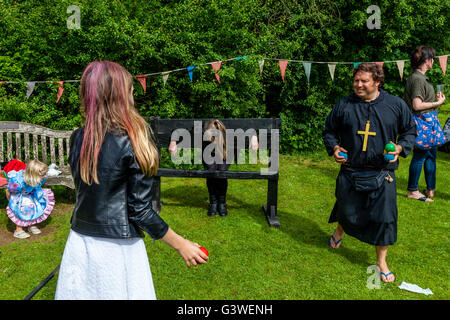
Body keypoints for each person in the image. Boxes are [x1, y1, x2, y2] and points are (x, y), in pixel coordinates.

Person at [55, 61, 208, 300]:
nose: (134, 94)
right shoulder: (132, 141)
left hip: (80, 244)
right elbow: (140, 211)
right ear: (120, 96)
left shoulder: (78, 137)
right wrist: (182, 244)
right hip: (116, 253)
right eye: (130, 89)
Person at [322, 62, 416, 283]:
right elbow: (329, 131)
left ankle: (382, 262)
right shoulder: (344, 105)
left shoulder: (395, 105)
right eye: (356, 80)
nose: (359, 85)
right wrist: (335, 147)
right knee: (348, 207)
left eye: (364, 81)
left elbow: (410, 130)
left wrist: (400, 149)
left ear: (377, 82)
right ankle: (340, 231)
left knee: (383, 219)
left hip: (383, 173)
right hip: (351, 170)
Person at [168, 120, 258, 217]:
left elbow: (249, 127)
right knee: (211, 171)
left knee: (222, 172)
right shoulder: (200, 130)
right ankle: (213, 203)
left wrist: (254, 136)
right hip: (208, 152)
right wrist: (173, 142)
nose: (211, 139)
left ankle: (222, 203)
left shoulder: (229, 132)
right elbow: (177, 130)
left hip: (225, 151)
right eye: (208, 136)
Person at [404, 46, 446, 202]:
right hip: (421, 122)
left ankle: (430, 190)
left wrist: (434, 101)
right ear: (427, 60)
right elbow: (416, 105)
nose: (433, 61)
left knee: (430, 156)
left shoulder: (421, 78)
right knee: (420, 156)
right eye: (432, 58)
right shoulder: (416, 78)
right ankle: (412, 191)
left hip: (429, 123)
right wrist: (437, 102)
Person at [5, 160, 54, 239]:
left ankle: (31, 225)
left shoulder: (40, 178)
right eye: (43, 174)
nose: (45, 176)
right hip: (18, 197)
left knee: (35, 206)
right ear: (32, 175)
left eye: (45, 173)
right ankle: (18, 230)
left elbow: (36, 185)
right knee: (20, 210)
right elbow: (8, 192)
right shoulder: (17, 182)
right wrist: (12, 204)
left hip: (30, 194)